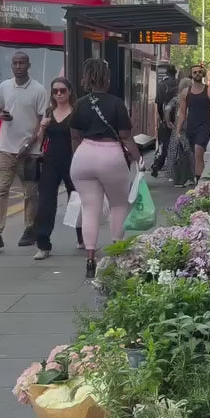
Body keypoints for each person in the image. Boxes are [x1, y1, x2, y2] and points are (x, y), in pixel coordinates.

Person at [70, 58, 141, 279]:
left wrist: (77, 156)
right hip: (110, 155)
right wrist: (138, 158)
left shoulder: (80, 103)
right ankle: (117, 255)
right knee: (119, 205)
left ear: (87, 78)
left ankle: (91, 259)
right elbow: (125, 136)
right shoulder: (116, 103)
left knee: (90, 208)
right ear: (106, 79)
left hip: (84, 155)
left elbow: (75, 135)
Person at [0, 51, 47, 252]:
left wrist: (31, 144)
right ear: (11, 66)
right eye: (15, 63)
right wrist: (0, 115)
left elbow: (42, 122)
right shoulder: (4, 86)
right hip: (5, 149)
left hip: (30, 152)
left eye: (22, 63)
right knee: (1, 190)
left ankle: (30, 228)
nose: (19, 66)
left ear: (28, 65)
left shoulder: (39, 90)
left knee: (30, 193)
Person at [33, 77, 84, 260]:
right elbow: (40, 141)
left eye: (62, 90)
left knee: (77, 200)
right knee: (46, 203)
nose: (59, 94)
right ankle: (43, 244)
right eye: (55, 91)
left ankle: (82, 237)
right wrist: (42, 126)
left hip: (72, 161)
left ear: (70, 91)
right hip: (50, 162)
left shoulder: (77, 112)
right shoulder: (49, 112)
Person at [178, 63, 210, 184]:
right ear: (191, 75)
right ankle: (198, 178)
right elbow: (182, 113)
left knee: (199, 151)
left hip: (205, 126)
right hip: (191, 126)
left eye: (199, 72)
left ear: (202, 74)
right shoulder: (185, 92)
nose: (197, 74)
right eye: (195, 72)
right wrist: (177, 129)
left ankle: (201, 183)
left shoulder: (209, 91)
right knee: (195, 155)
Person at [150, 63, 178, 177]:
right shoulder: (179, 84)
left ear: (166, 73)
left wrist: (162, 119)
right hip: (177, 118)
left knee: (163, 144)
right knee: (176, 144)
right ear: (175, 73)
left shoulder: (161, 85)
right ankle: (174, 168)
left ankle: (157, 164)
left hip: (165, 118)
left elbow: (159, 104)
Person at [166, 77, 193, 186]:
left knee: (174, 150)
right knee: (189, 151)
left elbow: (167, 109)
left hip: (178, 125)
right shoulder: (192, 97)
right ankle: (191, 176)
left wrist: (168, 121)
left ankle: (173, 175)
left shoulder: (176, 98)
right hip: (190, 125)